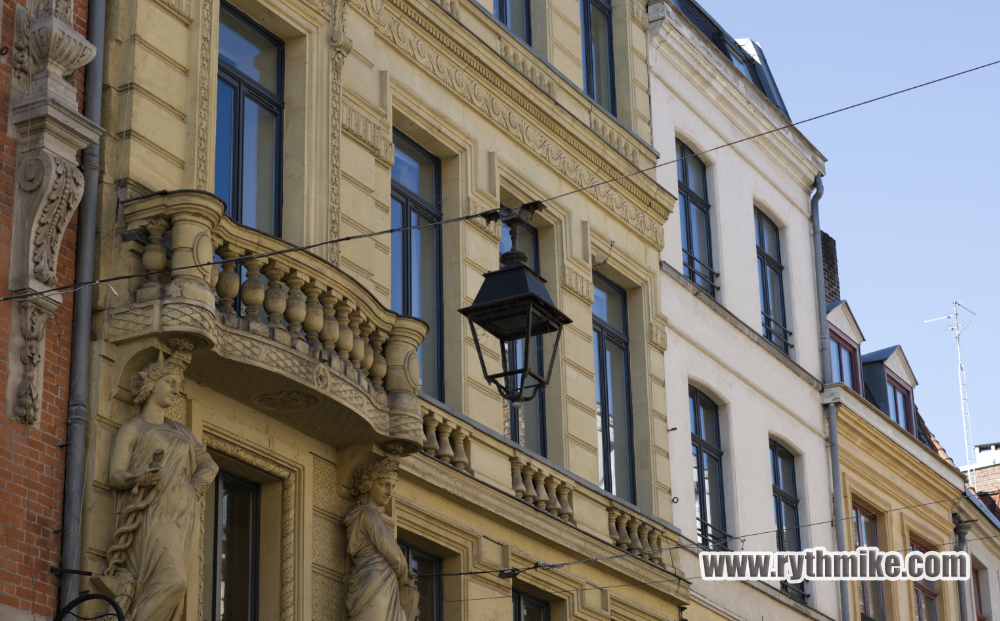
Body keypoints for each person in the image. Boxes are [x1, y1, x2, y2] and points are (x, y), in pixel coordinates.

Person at [106, 340, 218, 621]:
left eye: (176, 383)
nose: (175, 389)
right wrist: (140, 477)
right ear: (152, 385)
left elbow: (209, 466)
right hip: (152, 512)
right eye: (169, 382)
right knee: (174, 581)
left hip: (183, 514)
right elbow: (115, 474)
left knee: (179, 582)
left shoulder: (180, 429)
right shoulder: (134, 428)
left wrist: (191, 490)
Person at [345, 457, 417, 621]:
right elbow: (394, 555)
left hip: (375, 583)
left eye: (392, 486)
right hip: (376, 584)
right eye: (383, 484)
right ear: (369, 484)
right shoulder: (369, 515)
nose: (389, 492)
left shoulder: (365, 515)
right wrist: (406, 577)